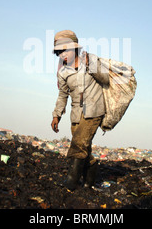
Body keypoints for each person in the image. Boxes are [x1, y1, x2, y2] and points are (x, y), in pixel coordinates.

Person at [50, 30, 109, 191]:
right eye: (59, 52)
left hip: (94, 110)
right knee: (84, 149)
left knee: (79, 142)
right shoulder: (62, 72)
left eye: (66, 50)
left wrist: (91, 66)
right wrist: (56, 115)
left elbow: (105, 79)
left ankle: (72, 181)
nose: (63, 55)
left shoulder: (91, 60)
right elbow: (63, 95)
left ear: (75, 49)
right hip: (76, 113)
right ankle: (89, 181)